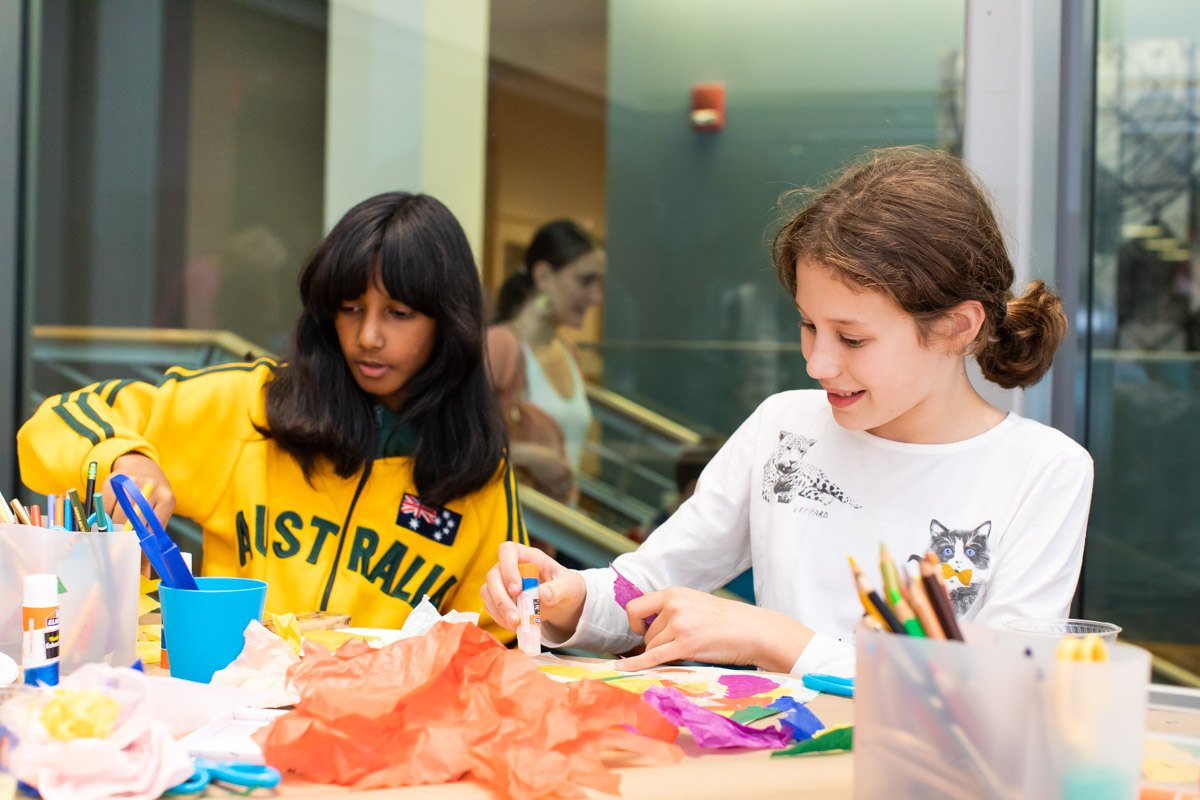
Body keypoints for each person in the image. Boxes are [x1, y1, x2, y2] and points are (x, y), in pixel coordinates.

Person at [481, 147, 1093, 677]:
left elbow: (1006, 687)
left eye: (852, 339)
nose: (818, 363)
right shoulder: (784, 429)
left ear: (958, 327)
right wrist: (568, 595)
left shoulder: (1042, 471)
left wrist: (772, 638)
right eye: (807, 325)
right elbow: (644, 586)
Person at [18, 192, 526, 640]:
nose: (369, 336)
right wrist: (123, 458)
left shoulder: (477, 467)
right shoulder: (254, 406)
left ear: (448, 322)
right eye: (351, 307)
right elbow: (58, 418)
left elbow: (497, 646)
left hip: (379, 735)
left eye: (398, 313)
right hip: (229, 719)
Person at [486, 220, 605, 502]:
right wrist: (530, 457)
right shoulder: (499, 344)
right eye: (585, 280)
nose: (596, 297)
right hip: (515, 530)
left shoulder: (568, 351)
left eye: (599, 283)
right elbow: (457, 441)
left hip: (557, 528)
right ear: (543, 276)